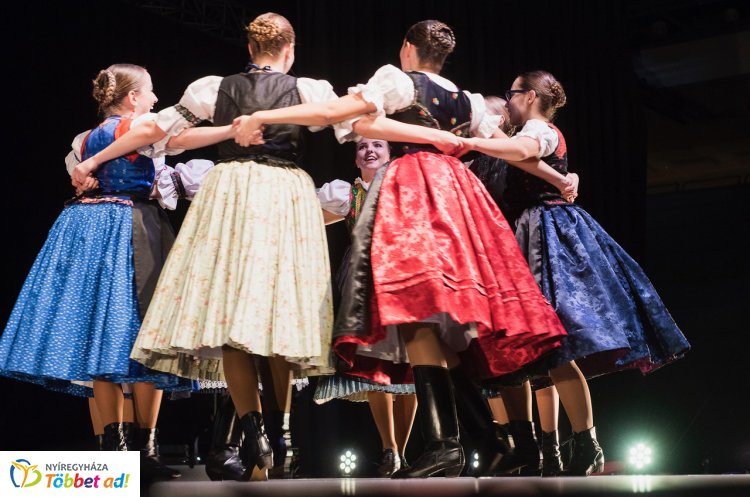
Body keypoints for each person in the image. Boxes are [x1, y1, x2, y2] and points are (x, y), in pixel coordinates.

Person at [232, 20, 576, 479]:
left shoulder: (397, 80)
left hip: (415, 190)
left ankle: (450, 443)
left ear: (407, 48)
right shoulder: (468, 100)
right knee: (434, 319)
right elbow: (512, 149)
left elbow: (334, 112)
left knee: (415, 309)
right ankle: (478, 440)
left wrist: (263, 116)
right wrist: (560, 177)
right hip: (457, 194)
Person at [74, 12, 349, 482]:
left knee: (231, 314)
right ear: (290, 50)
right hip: (283, 191)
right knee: (279, 310)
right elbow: (336, 118)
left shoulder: (214, 88)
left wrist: (92, 159)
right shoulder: (307, 89)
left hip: (232, 191)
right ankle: (281, 432)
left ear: (250, 50)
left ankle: (252, 428)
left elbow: (164, 134)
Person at [0, 64, 230, 474]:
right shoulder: (142, 126)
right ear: (132, 98)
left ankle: (116, 451)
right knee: (146, 332)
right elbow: (179, 137)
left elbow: (79, 174)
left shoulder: (82, 139)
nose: (155, 98)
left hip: (85, 227)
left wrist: (86, 175)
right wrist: (231, 131)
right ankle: (145, 449)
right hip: (132, 225)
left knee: (99, 335)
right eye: (150, 91)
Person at [460, 70, 690, 476]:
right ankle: (535, 444)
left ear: (530, 96)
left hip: (546, 236)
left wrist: (482, 133)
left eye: (513, 93)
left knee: (557, 348)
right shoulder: (515, 139)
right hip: (519, 240)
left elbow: (522, 152)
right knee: (530, 350)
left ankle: (586, 441)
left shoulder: (539, 130)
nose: (509, 101)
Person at [316, 137, 417, 477]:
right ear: (356, 158)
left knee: (410, 365)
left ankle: (403, 452)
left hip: (401, 276)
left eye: (377, 145)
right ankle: (389, 449)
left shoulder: (403, 188)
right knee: (374, 363)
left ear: (390, 155)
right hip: (363, 279)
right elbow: (308, 217)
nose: (369, 151)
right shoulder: (349, 194)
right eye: (362, 147)